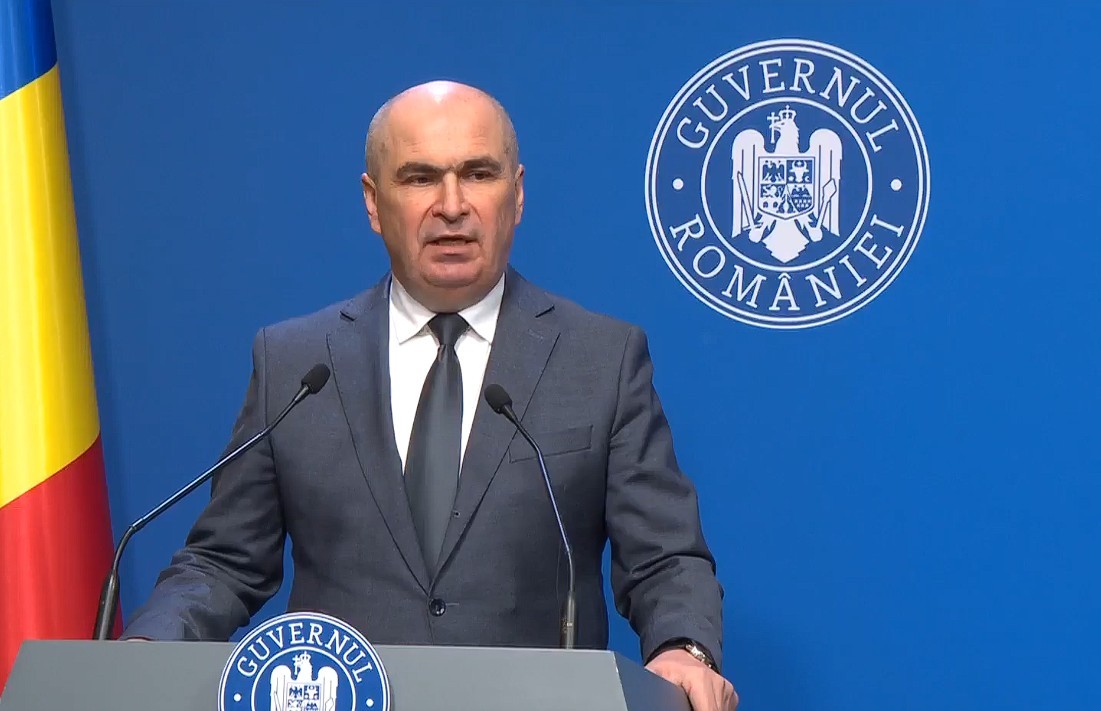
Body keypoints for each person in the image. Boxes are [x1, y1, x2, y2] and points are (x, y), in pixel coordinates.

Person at [124, 80, 737, 711]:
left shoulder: (600, 359)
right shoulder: (295, 362)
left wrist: (683, 647)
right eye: (420, 178)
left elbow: (665, 558)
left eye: (478, 173)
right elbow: (225, 561)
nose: (451, 205)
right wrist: (150, 643)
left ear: (517, 194)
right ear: (373, 202)